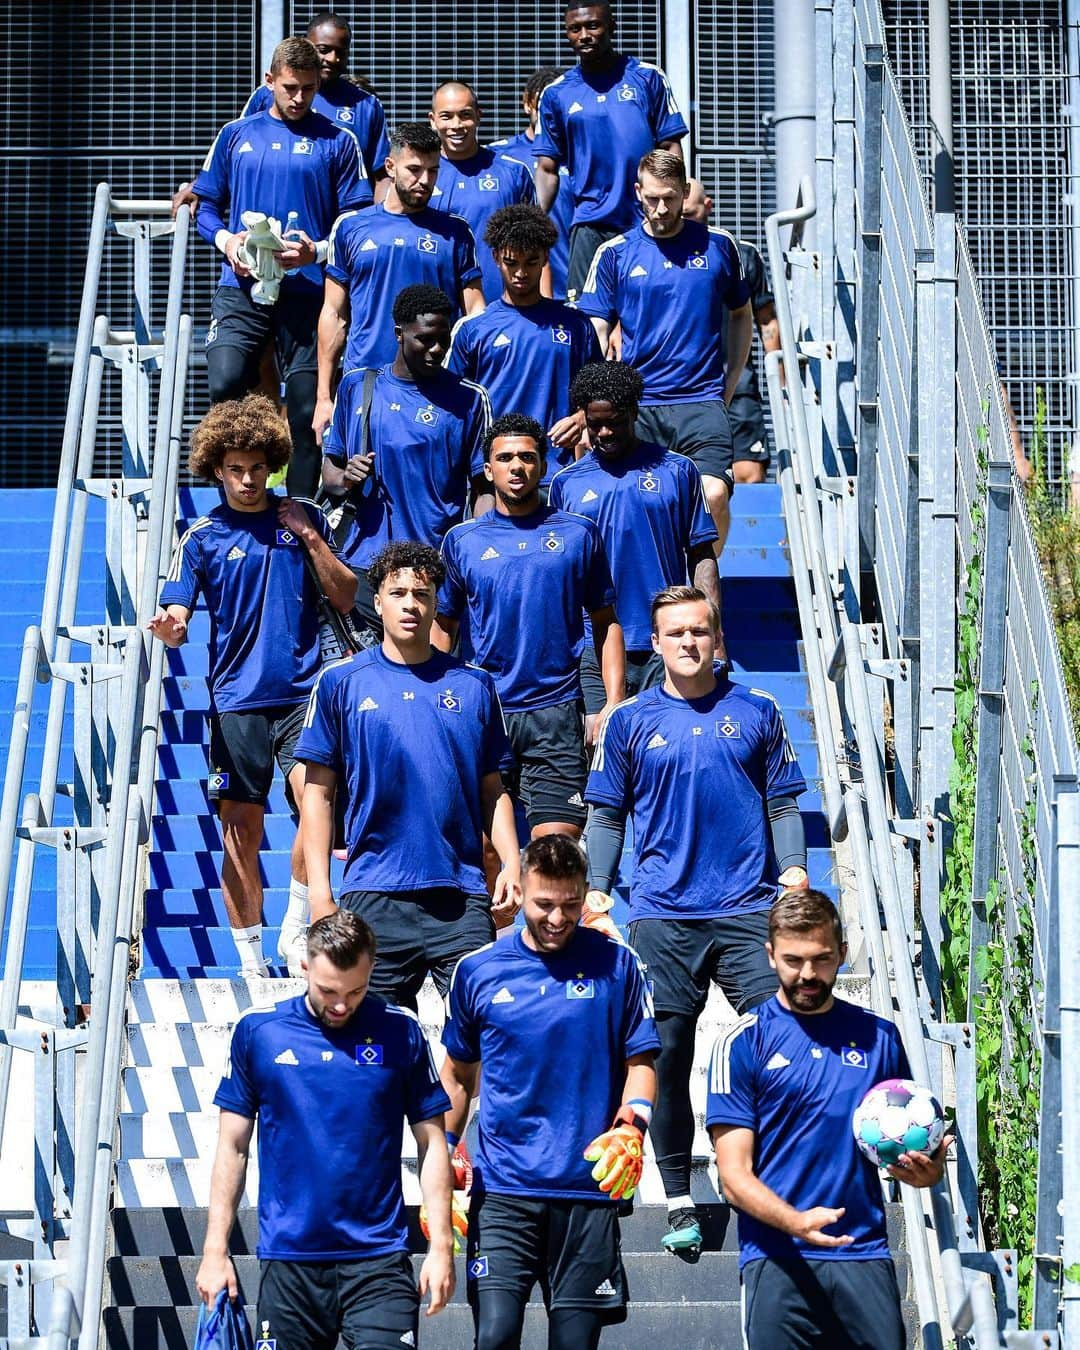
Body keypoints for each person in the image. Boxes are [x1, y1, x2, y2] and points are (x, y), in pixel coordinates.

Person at [585, 585, 810, 1256]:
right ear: (655, 644)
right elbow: (605, 813)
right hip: (662, 917)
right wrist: (598, 892)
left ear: (716, 639)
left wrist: (794, 871)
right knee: (668, 1056)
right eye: (674, 633)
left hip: (748, 912)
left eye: (698, 631)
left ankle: (774, 1178)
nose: (688, 642)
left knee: (782, 1045)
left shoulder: (758, 709)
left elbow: (784, 805)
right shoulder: (628, 721)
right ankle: (680, 1192)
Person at [149, 396, 357, 978]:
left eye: (257, 468)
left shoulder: (303, 518)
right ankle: (247, 960)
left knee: (317, 803)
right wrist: (171, 627)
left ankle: (294, 930)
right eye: (235, 469)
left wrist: (310, 537)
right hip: (234, 700)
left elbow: (344, 595)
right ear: (216, 468)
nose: (247, 480)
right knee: (241, 828)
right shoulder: (202, 536)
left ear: (273, 467)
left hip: (305, 692)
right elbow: (177, 613)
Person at [194, 910, 456, 1348]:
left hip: (379, 1260)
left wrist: (442, 1244)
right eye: (328, 990)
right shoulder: (260, 1031)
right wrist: (215, 1250)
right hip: (291, 1261)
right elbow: (233, 1147)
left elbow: (432, 1143)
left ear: (372, 968)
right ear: (305, 967)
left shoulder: (401, 1030)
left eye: (355, 991)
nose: (340, 1004)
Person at [440, 834, 660, 1350]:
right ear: (520, 894)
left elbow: (642, 1064)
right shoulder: (477, 971)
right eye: (543, 905)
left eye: (569, 905)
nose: (557, 918)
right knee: (493, 1338)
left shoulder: (618, 964)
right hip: (502, 1192)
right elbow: (456, 1076)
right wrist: (443, 1158)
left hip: (586, 1191)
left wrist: (632, 1128)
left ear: (585, 894)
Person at [708, 891, 951, 1349]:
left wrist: (928, 1173)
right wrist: (795, 1222)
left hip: (864, 1253)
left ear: (841, 952)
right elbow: (733, 1176)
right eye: (792, 960)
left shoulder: (880, 1038)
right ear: (770, 955)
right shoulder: (743, 1042)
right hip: (777, 1257)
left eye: (821, 959)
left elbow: (909, 1150)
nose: (806, 974)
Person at [297, 541, 521, 1009]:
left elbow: (493, 790)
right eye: (397, 593)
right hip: (374, 893)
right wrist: (320, 895)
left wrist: (512, 863)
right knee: (373, 1052)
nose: (410, 605)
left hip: (460, 898)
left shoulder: (475, 685)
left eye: (422, 594)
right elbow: (317, 794)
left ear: (437, 602)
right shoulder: (341, 683)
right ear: (377, 602)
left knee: (486, 1037)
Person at [193, 37, 372, 498]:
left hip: (310, 293)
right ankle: (236, 496)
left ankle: (298, 513)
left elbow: (357, 219)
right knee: (226, 380)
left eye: (308, 89)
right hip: (242, 286)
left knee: (307, 409)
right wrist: (228, 240)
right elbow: (206, 205)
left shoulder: (338, 141)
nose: (298, 98)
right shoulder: (237, 134)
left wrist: (319, 251)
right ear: (269, 81)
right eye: (290, 87)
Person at [435, 414, 624, 840]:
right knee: (485, 853)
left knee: (556, 851)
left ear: (542, 465)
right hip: (486, 712)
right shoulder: (462, 540)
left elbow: (605, 623)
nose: (516, 466)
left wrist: (612, 701)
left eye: (527, 457)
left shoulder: (578, 534)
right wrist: (439, 698)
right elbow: (443, 627)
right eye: (505, 458)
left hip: (556, 714)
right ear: (488, 470)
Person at [577, 151, 753, 551]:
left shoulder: (719, 246)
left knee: (712, 496)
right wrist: (594, 402)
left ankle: (700, 592)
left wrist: (728, 385)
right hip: (638, 406)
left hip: (702, 402)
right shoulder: (615, 253)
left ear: (685, 192)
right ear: (637, 192)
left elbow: (742, 314)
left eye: (670, 198)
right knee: (635, 509)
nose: (661, 208)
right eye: (653, 197)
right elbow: (596, 331)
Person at [548, 362, 720, 739]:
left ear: (635, 412)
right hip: (593, 644)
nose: (605, 432)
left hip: (668, 638)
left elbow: (702, 554)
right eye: (595, 425)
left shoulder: (678, 470)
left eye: (616, 421)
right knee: (602, 748)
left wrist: (714, 632)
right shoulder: (565, 484)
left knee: (667, 745)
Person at [321, 284, 492, 638]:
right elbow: (330, 473)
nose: (437, 350)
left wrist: (479, 548)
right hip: (364, 566)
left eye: (443, 340)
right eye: (425, 340)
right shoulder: (357, 385)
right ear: (399, 333)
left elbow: (483, 488)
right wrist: (347, 477)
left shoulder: (470, 399)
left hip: (434, 569)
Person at [316, 121, 486, 441]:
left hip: (435, 385)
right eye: (414, 169)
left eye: (433, 171)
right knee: (357, 482)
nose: (424, 181)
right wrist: (324, 397)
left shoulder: (456, 233)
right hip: (365, 383)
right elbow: (334, 315)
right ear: (390, 166)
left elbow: (475, 315)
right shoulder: (351, 227)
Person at [532, 1, 688, 299]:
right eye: (575, 29)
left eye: (593, 25)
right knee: (588, 319)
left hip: (646, 219)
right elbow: (547, 168)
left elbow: (670, 146)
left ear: (611, 27)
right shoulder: (556, 93)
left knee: (646, 310)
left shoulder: (647, 77)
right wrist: (534, 219)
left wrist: (674, 201)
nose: (584, 35)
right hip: (590, 223)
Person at [445, 205, 600, 488]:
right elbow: (454, 409)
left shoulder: (577, 325)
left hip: (556, 476)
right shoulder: (473, 330)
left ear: (545, 259)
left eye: (530, 262)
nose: (520, 272)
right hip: (492, 477)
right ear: (495, 258)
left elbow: (600, 393)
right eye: (511, 262)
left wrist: (582, 418)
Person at [683, 180, 780, 486]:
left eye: (691, 214)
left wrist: (784, 381)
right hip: (678, 386)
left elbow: (767, 321)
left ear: (708, 206)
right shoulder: (651, 254)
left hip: (737, 383)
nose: (683, 222)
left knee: (748, 474)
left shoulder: (742, 254)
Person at [241, 12, 390, 187]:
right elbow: (235, 148)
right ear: (307, 47)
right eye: (323, 50)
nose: (333, 59)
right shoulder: (268, 94)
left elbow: (381, 175)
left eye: (341, 52)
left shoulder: (366, 105)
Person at [428, 81, 537, 302]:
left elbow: (536, 245)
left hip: (500, 307)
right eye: (446, 116)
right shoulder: (420, 174)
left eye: (465, 115)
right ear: (433, 120)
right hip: (436, 310)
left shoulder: (512, 172)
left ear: (479, 116)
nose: (456, 125)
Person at [490, 69, 574, 298]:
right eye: (541, 104)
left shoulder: (583, 154)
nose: (549, 112)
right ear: (527, 103)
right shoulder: (498, 157)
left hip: (574, 287)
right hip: (518, 290)